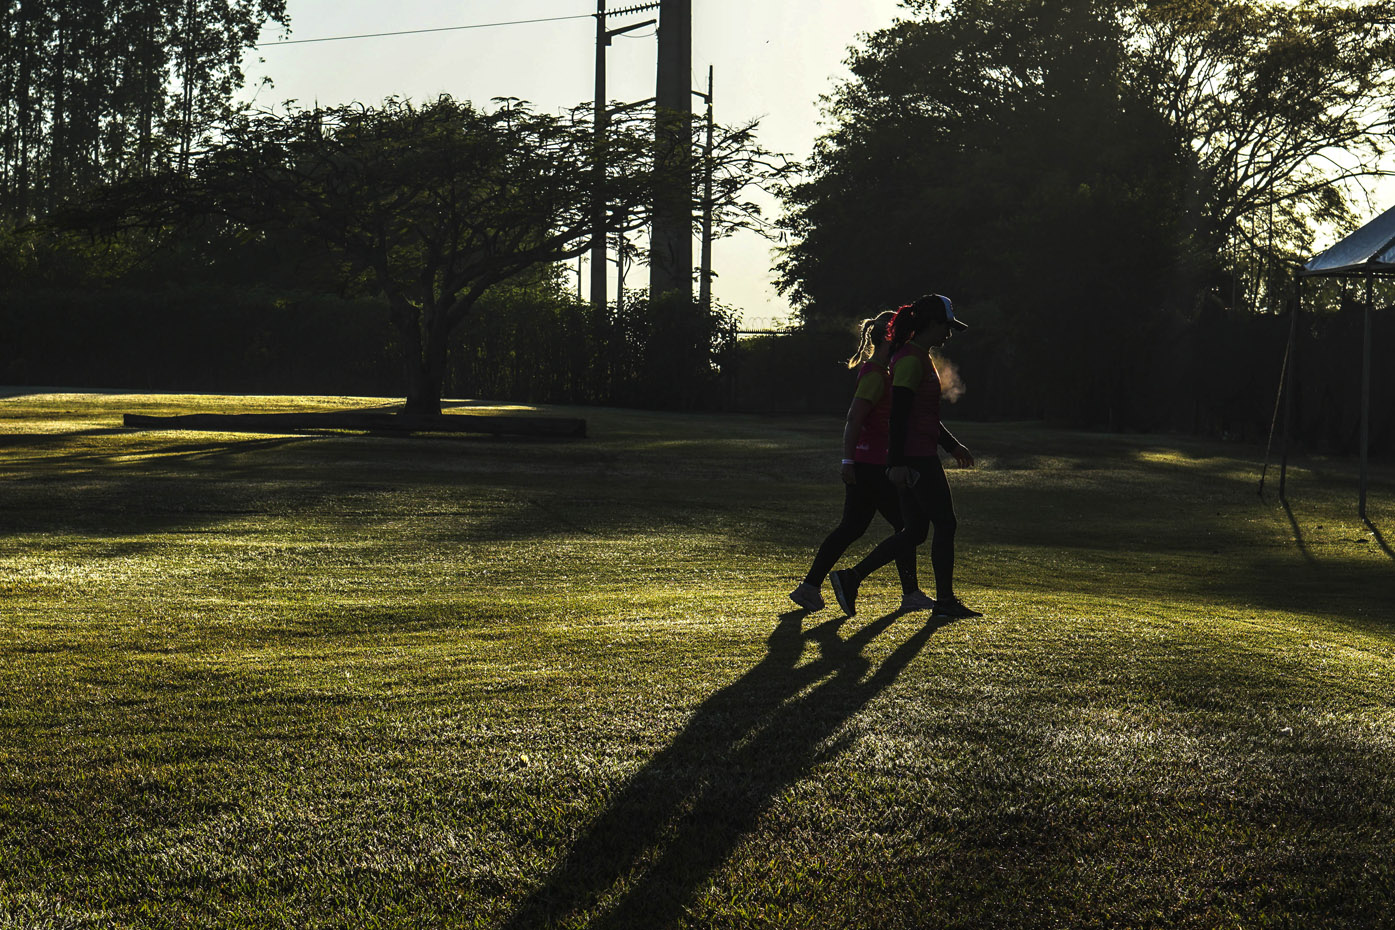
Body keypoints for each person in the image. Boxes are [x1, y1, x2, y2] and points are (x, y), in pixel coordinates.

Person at [829, 294, 982, 620]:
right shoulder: (911, 360)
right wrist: (896, 463)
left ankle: (851, 577)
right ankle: (944, 601)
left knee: (914, 531)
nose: (948, 334)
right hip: (917, 458)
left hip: (916, 455)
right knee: (945, 523)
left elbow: (922, 414)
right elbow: (898, 416)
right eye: (946, 326)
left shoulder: (917, 357)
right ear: (931, 324)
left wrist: (951, 446)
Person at [789, 311, 936, 613]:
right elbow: (854, 418)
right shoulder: (875, 375)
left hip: (867, 463)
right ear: (891, 339)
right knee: (906, 526)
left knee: (853, 527)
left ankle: (809, 587)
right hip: (873, 465)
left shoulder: (881, 373)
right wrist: (848, 460)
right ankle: (906, 593)